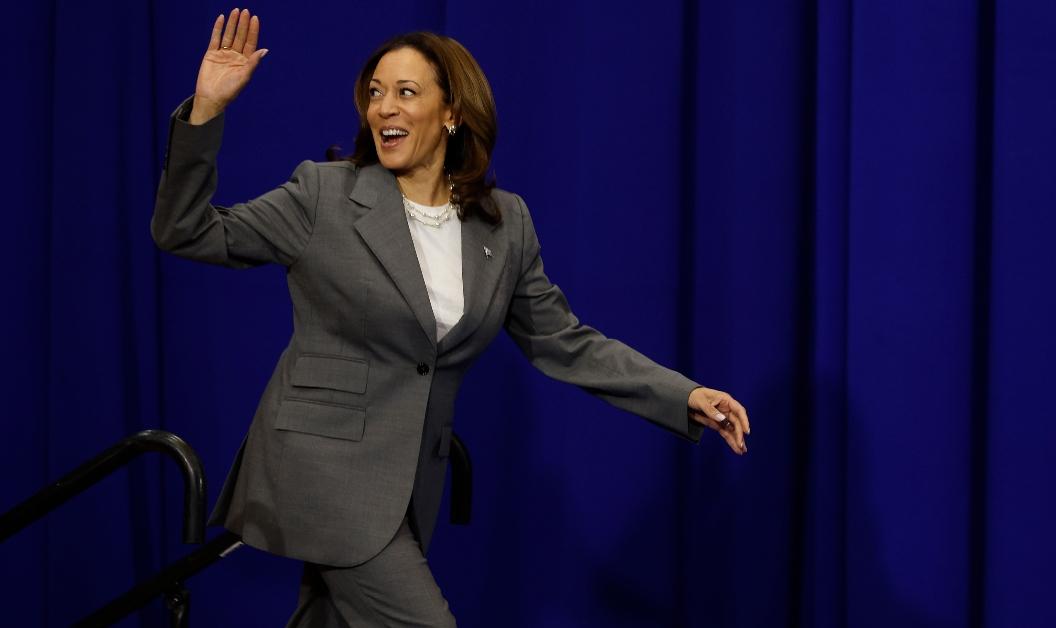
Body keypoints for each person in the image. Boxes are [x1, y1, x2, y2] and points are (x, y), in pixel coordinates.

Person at [152, 8, 751, 627]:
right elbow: (187, 232)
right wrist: (206, 111)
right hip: (323, 474)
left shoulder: (503, 222)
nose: (385, 108)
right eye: (375, 94)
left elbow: (564, 342)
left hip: (408, 481)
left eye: (406, 93)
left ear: (452, 113)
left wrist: (683, 395)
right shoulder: (324, 196)